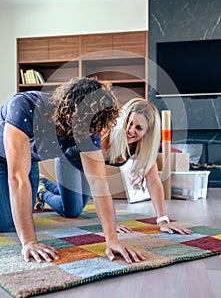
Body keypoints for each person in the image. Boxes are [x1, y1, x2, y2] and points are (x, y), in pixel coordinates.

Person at [0, 77, 146, 264]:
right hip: (3, 160)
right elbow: (18, 178)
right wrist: (29, 242)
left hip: (30, 160)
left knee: (18, 218)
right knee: (5, 224)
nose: (90, 134)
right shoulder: (24, 107)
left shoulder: (90, 129)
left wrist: (112, 240)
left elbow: (99, 183)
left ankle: (41, 190)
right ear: (69, 115)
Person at [37, 98, 192, 235]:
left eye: (139, 128)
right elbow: (99, 182)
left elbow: (153, 182)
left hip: (88, 167)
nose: (131, 130)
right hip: (70, 158)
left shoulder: (143, 148)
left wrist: (162, 220)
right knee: (72, 210)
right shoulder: (105, 135)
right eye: (129, 123)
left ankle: (44, 182)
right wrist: (110, 224)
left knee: (79, 202)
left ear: (147, 133)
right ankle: (42, 191)